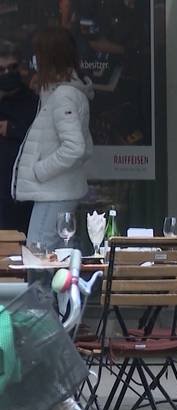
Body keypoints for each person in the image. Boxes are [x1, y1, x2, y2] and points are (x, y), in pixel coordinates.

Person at [13, 26, 93, 251]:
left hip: (54, 193)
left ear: (49, 57)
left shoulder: (63, 96)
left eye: (38, 54)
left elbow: (75, 147)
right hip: (59, 191)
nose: (34, 60)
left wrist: (40, 170)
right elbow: (86, 147)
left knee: (39, 254)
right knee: (56, 254)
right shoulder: (66, 92)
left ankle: (48, 289)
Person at [0, 40, 38, 233]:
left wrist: (12, 129)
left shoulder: (33, 101)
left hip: (20, 191)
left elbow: (42, 139)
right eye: (2, 69)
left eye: (12, 68)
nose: (7, 73)